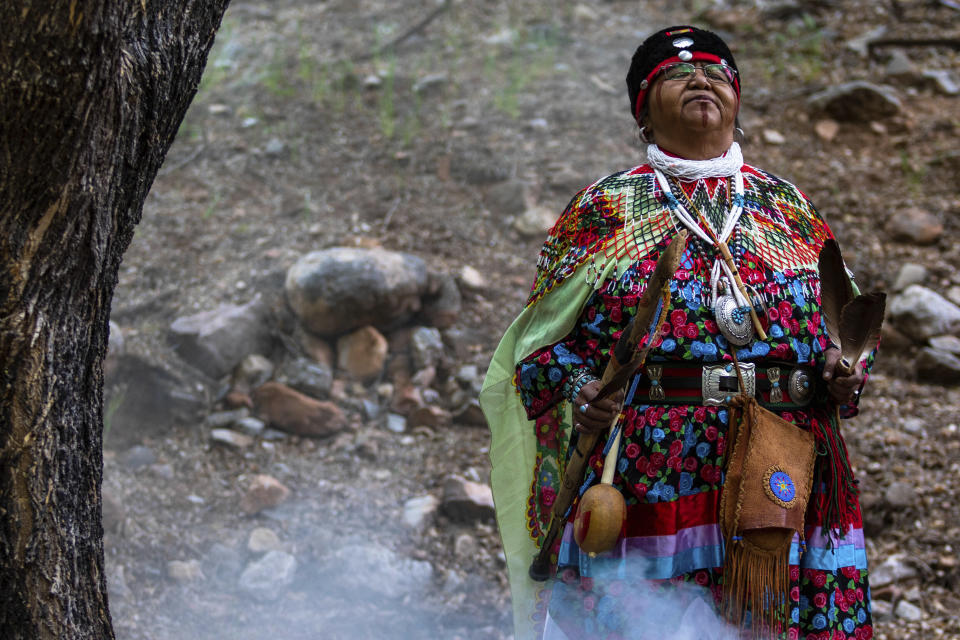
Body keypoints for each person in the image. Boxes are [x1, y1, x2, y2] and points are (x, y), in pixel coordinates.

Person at [480, 25, 875, 640]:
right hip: (649, 470)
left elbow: (847, 325)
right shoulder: (606, 209)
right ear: (643, 109)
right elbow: (537, 352)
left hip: (786, 464)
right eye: (675, 73)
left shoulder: (788, 207)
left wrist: (845, 369)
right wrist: (586, 388)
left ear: (738, 101)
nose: (701, 79)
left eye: (718, 72)